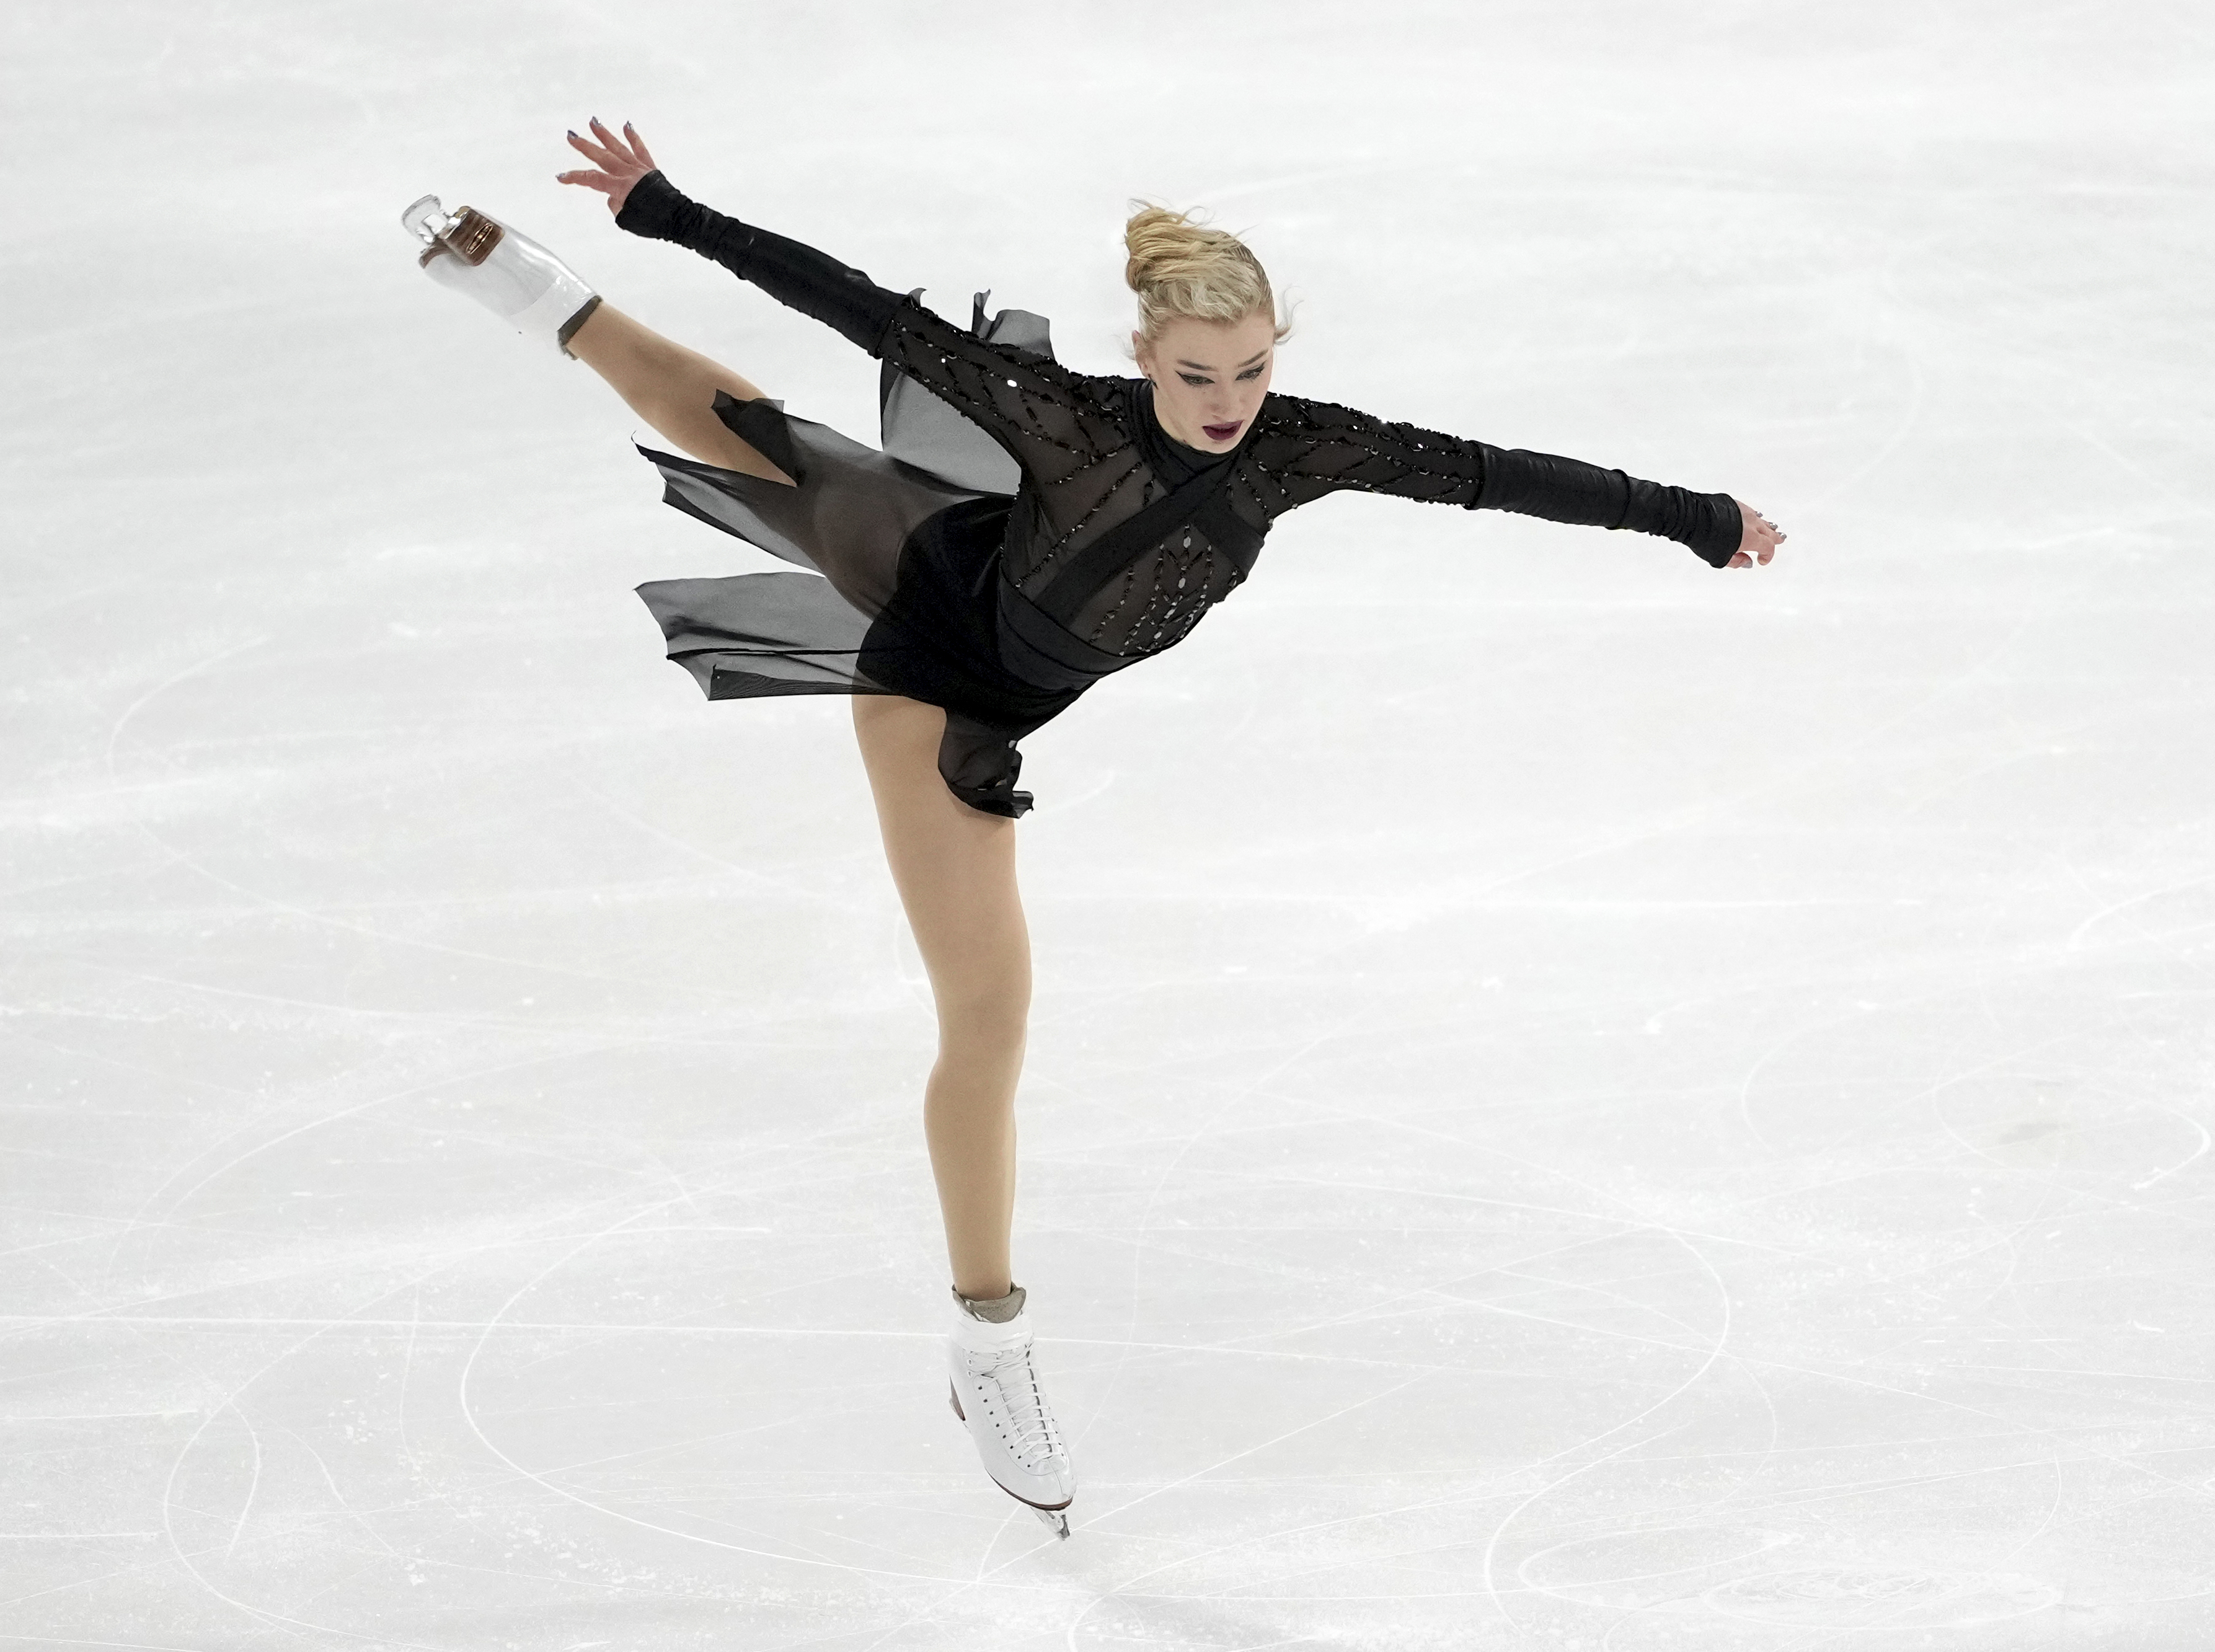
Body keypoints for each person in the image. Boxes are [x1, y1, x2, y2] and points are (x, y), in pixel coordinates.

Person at [405, 117, 1785, 1539]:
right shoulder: (1062, 415)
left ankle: (540, 296)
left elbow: (1488, 471)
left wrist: (1692, 516)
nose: (1228, 403)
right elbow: (865, 311)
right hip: (938, 675)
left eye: (1251, 370)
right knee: (988, 1013)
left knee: (777, 451)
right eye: (1196, 376)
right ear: (1144, 357)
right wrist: (670, 209)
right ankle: (987, 1339)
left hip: (979, 586)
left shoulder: (1300, 448)